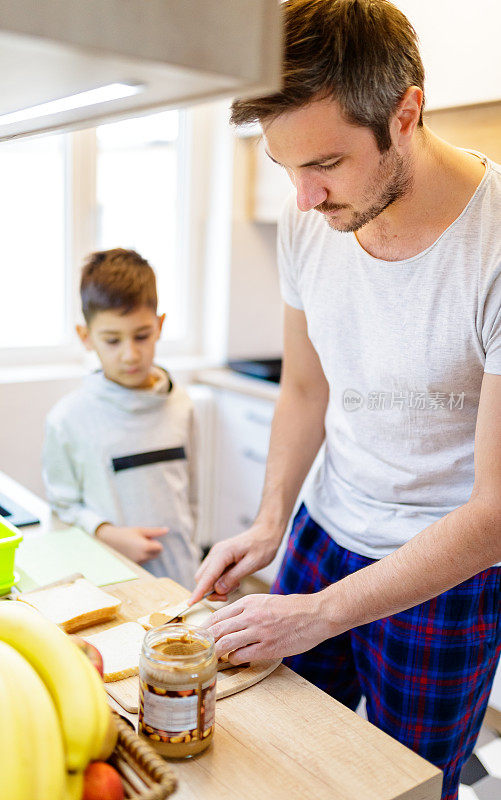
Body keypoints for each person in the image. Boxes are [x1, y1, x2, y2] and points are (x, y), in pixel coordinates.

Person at [189, 1, 501, 797]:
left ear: (405, 114)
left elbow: (494, 512)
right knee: (280, 760)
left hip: (444, 572)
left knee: (398, 784)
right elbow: (304, 386)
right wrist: (269, 520)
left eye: (324, 162)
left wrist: (322, 613)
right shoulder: (313, 222)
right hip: (323, 530)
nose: (301, 198)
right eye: (284, 166)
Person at [43, 248, 200, 590]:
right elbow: (62, 507)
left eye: (142, 336)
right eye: (112, 340)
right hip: (109, 581)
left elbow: (190, 499)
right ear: (86, 337)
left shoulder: (181, 405)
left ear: (159, 326)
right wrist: (107, 533)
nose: (130, 354)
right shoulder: (67, 419)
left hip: (181, 579)